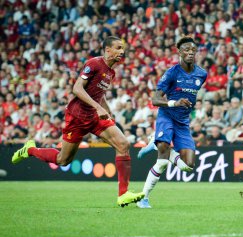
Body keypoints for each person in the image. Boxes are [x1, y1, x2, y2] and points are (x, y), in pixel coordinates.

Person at [11, 36, 144, 207]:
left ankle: (123, 194)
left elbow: (99, 93)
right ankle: (30, 150)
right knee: (63, 160)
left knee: (123, 144)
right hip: (77, 117)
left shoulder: (111, 72)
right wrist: (98, 108)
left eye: (123, 48)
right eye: (118, 48)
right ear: (107, 49)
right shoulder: (94, 63)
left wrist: (106, 109)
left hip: (94, 117)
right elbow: (77, 88)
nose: (122, 51)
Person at [137, 35, 207, 208]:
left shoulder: (201, 74)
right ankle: (143, 199)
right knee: (161, 161)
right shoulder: (171, 73)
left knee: (188, 166)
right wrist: (174, 102)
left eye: (193, 50)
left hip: (183, 122)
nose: (190, 53)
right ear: (179, 52)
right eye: (186, 50)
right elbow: (155, 100)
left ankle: (156, 143)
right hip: (167, 116)